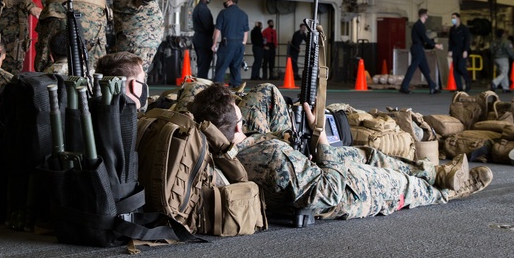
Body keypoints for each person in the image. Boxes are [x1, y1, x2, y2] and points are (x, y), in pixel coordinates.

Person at [189, 84, 492, 221]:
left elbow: (258, 117)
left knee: (363, 154)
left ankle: (435, 171)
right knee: (387, 180)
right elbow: (330, 191)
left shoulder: (213, 145)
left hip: (297, 172)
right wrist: (320, 142)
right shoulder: (270, 155)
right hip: (329, 195)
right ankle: (444, 191)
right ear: (237, 125)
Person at [399, 8, 442, 95]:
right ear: (424, 15)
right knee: (413, 67)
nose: (428, 16)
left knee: (424, 69)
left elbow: (423, 39)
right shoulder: (419, 25)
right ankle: (404, 86)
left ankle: (432, 86)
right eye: (427, 14)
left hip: (419, 48)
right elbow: (424, 38)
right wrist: (435, 44)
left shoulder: (419, 25)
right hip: (417, 48)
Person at [212, 0, 249, 89]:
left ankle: (217, 88)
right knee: (236, 67)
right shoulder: (244, 14)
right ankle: (237, 87)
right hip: (240, 44)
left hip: (227, 44)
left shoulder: (223, 13)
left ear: (230, 1)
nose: (224, 1)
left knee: (221, 66)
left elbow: (217, 30)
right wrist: (243, 44)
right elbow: (246, 32)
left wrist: (214, 44)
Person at [191, 0, 214, 79]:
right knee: (205, 62)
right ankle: (202, 82)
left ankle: (201, 81)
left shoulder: (197, 8)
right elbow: (207, 26)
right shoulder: (203, 9)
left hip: (198, 37)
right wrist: (216, 28)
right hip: (204, 38)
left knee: (201, 61)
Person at [448, 12, 471, 91]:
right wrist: (450, 50)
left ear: (458, 18)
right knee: (455, 70)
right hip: (455, 50)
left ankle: (468, 81)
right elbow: (450, 41)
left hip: (462, 51)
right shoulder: (452, 29)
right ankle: (459, 87)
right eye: (452, 18)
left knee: (460, 67)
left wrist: (465, 50)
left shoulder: (464, 28)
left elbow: (467, 40)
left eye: (454, 18)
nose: (452, 20)